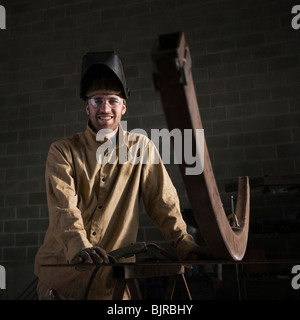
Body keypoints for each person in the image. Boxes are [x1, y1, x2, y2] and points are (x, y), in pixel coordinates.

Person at [34, 51, 210, 300]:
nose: (104, 108)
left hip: (113, 287)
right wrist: (79, 247)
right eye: (96, 100)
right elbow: (64, 209)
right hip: (62, 284)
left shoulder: (142, 149)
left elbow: (164, 205)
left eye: (112, 100)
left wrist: (185, 246)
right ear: (87, 107)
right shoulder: (62, 151)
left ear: (123, 107)